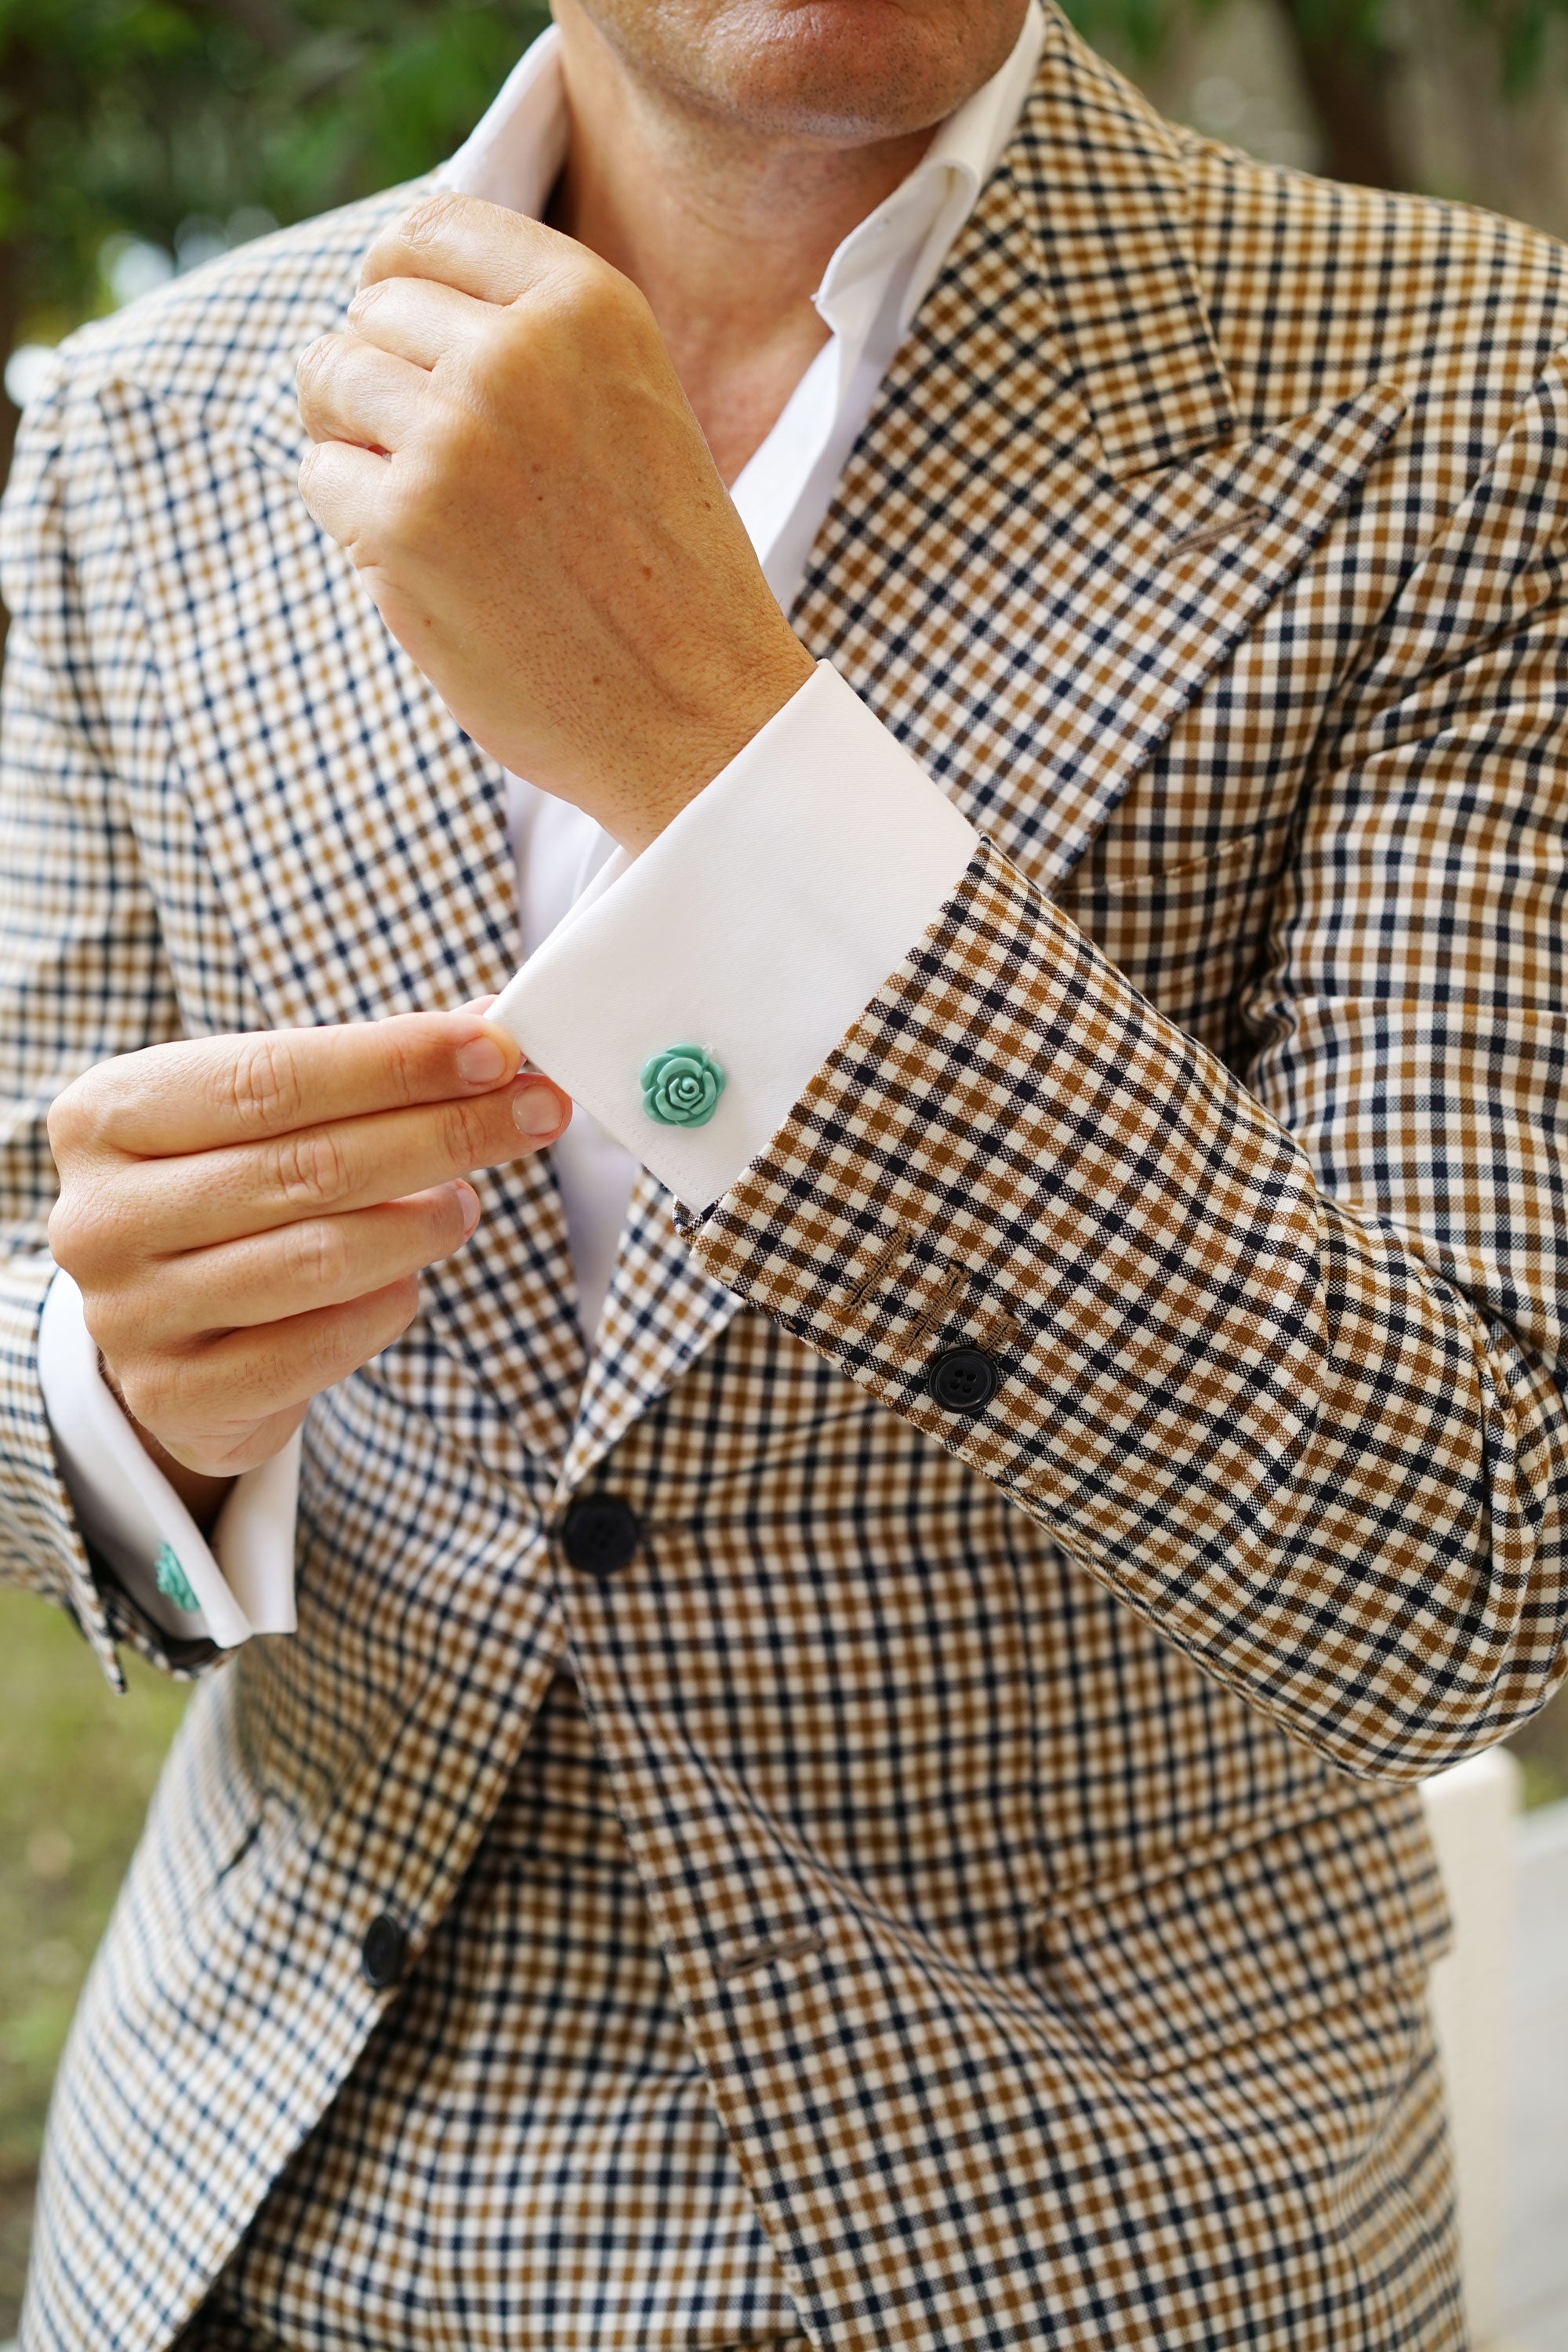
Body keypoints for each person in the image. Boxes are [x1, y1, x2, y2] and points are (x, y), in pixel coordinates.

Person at [2, 0, 1566, 2341]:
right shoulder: (140, 426)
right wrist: (132, 1408)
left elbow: (1464, 1563)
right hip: (252, 2202)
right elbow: (37, 1312)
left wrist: (723, 758)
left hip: (1099, 2229)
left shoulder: (1479, 384)